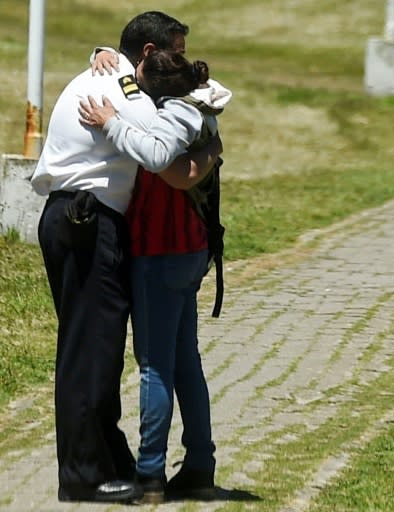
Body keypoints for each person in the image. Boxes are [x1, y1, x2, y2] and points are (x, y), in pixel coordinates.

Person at [31, 11, 221, 504]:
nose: (184, 63)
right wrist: (210, 140)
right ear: (149, 55)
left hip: (85, 219)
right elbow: (165, 148)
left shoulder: (116, 77)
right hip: (85, 220)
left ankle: (109, 461)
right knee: (89, 351)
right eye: (176, 53)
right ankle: (85, 476)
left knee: (100, 349)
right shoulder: (122, 96)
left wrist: (99, 50)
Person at [79, 49, 232, 503]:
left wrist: (110, 122)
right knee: (186, 362)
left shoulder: (173, 116)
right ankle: (201, 465)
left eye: (138, 73)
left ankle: (149, 475)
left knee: (155, 369)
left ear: (154, 84)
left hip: (161, 250)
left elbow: (158, 157)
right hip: (189, 249)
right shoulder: (196, 105)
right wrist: (102, 53)